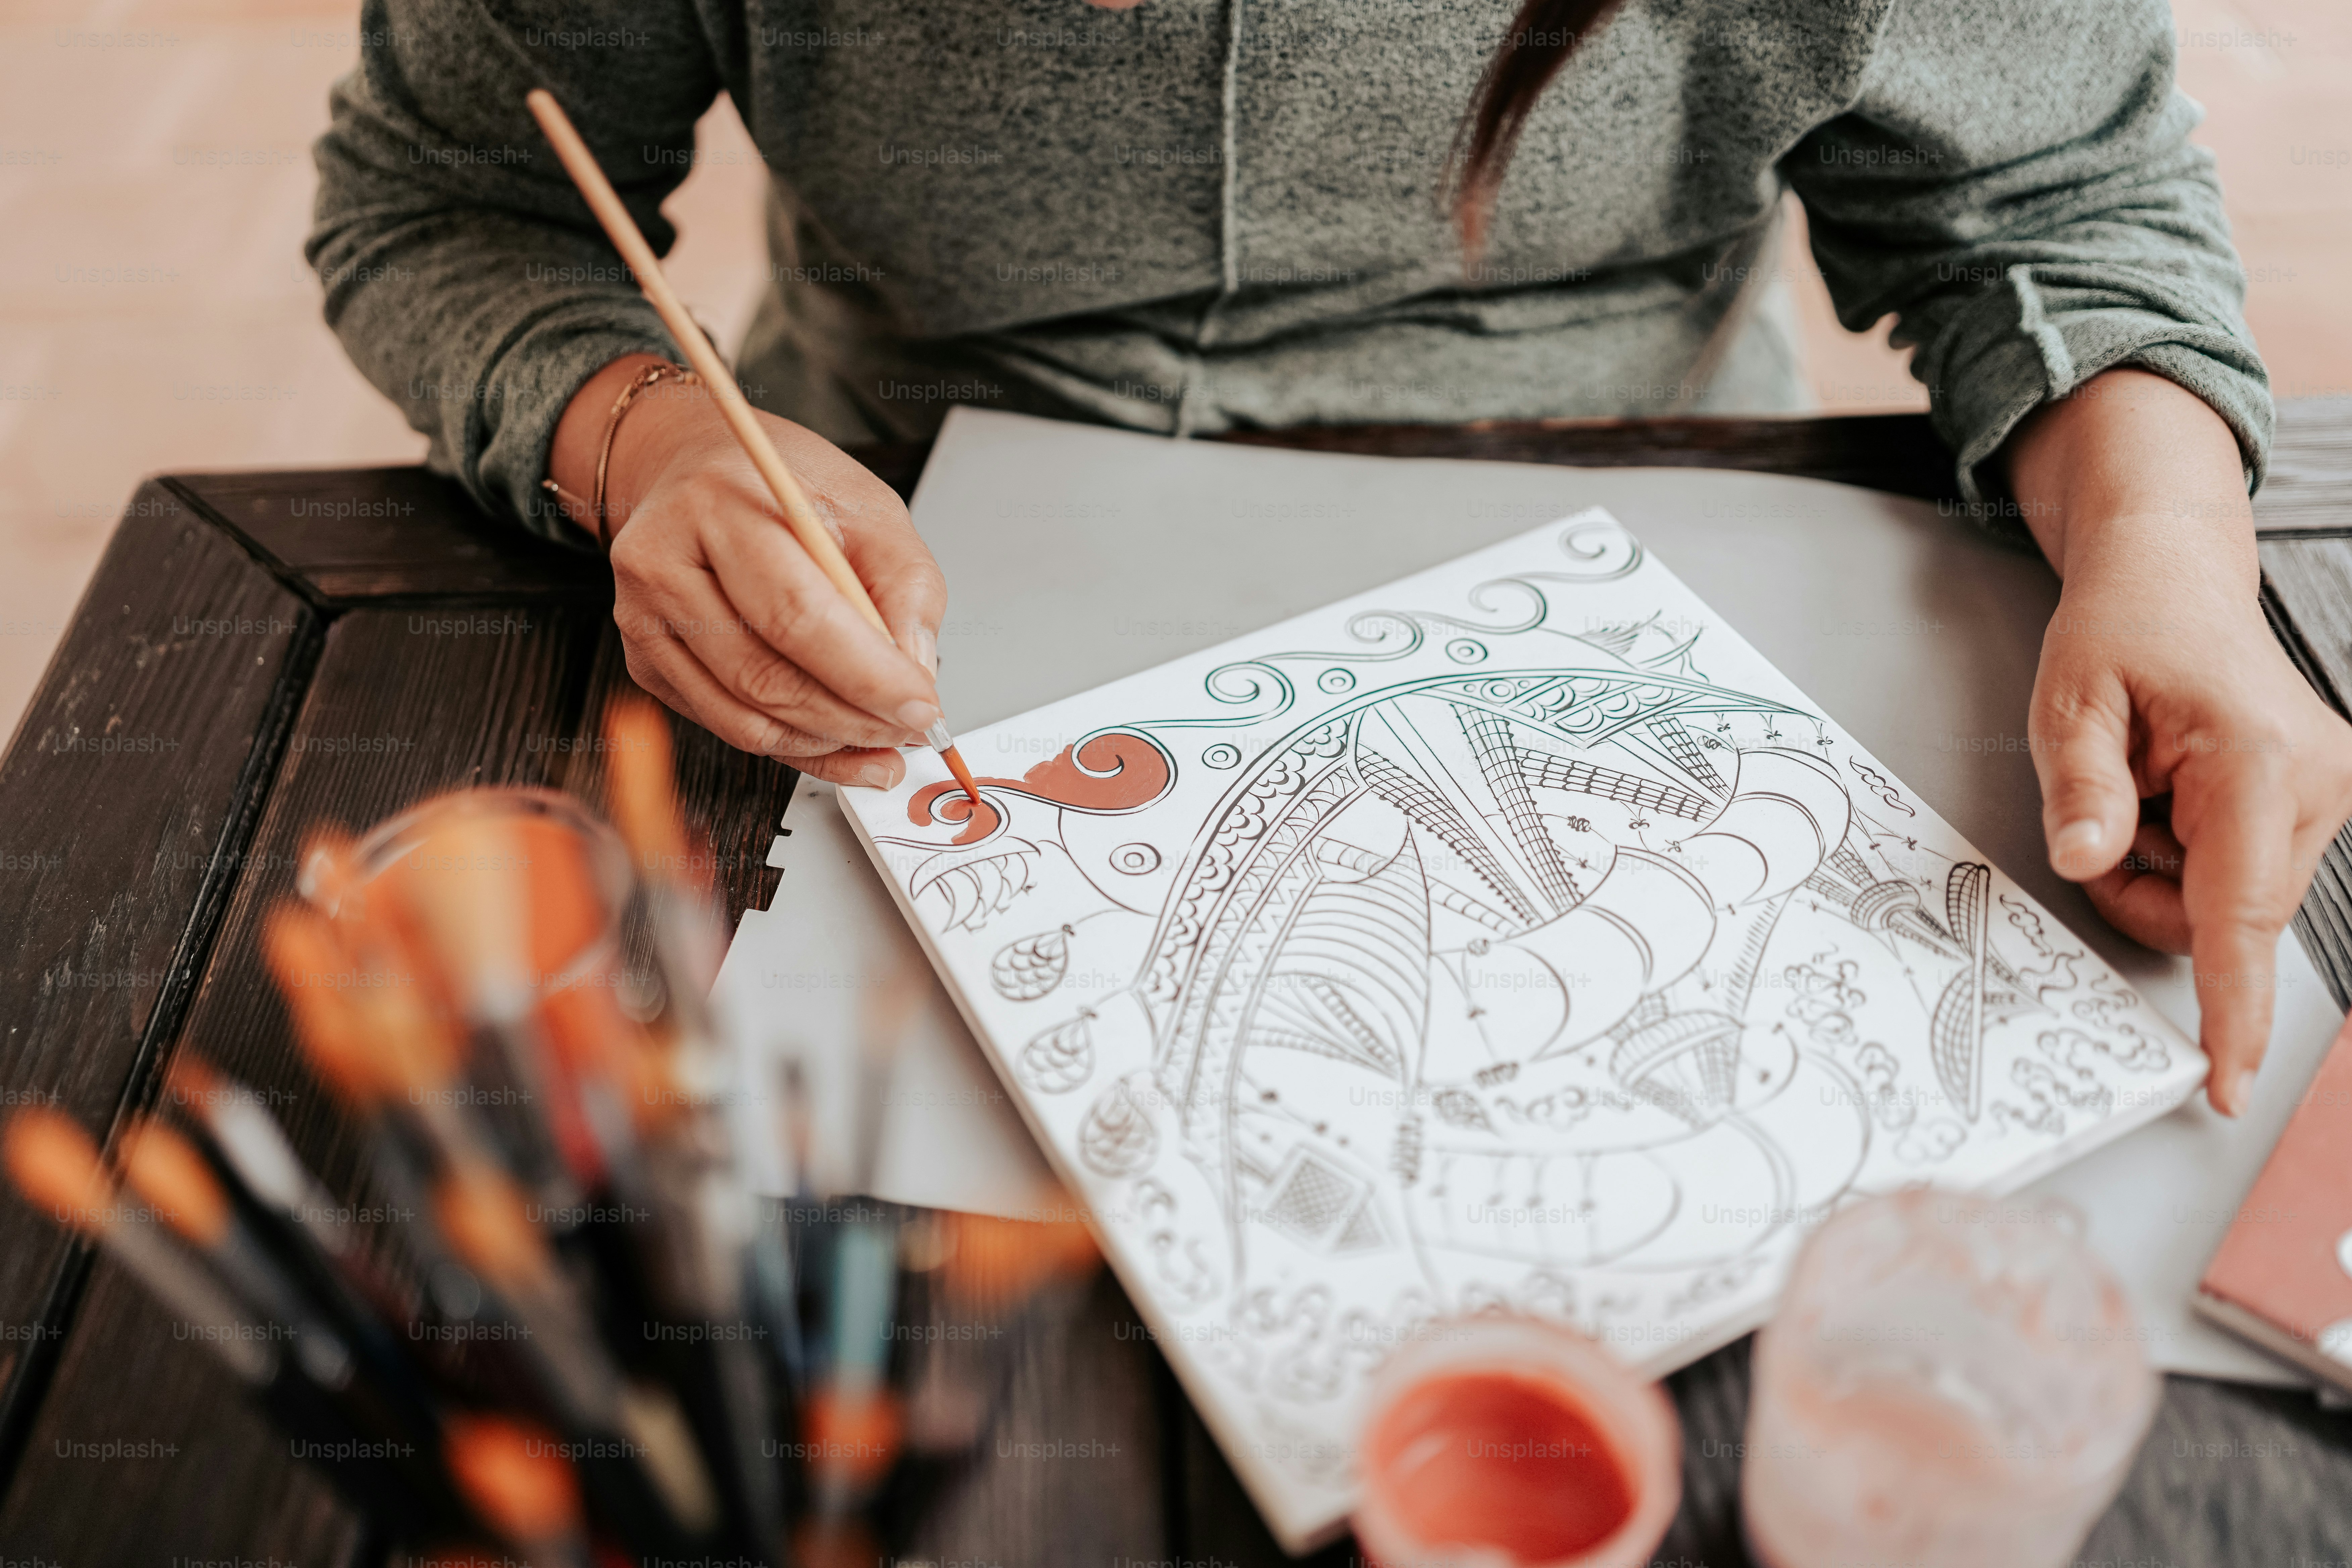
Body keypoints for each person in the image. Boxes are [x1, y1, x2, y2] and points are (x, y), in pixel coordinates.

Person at [308, 0, 2352, 1115]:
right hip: (880, 536)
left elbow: (2055, 203)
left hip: (1635, 504)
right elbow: (442, 194)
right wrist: (642, 437)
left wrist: (2167, 545)